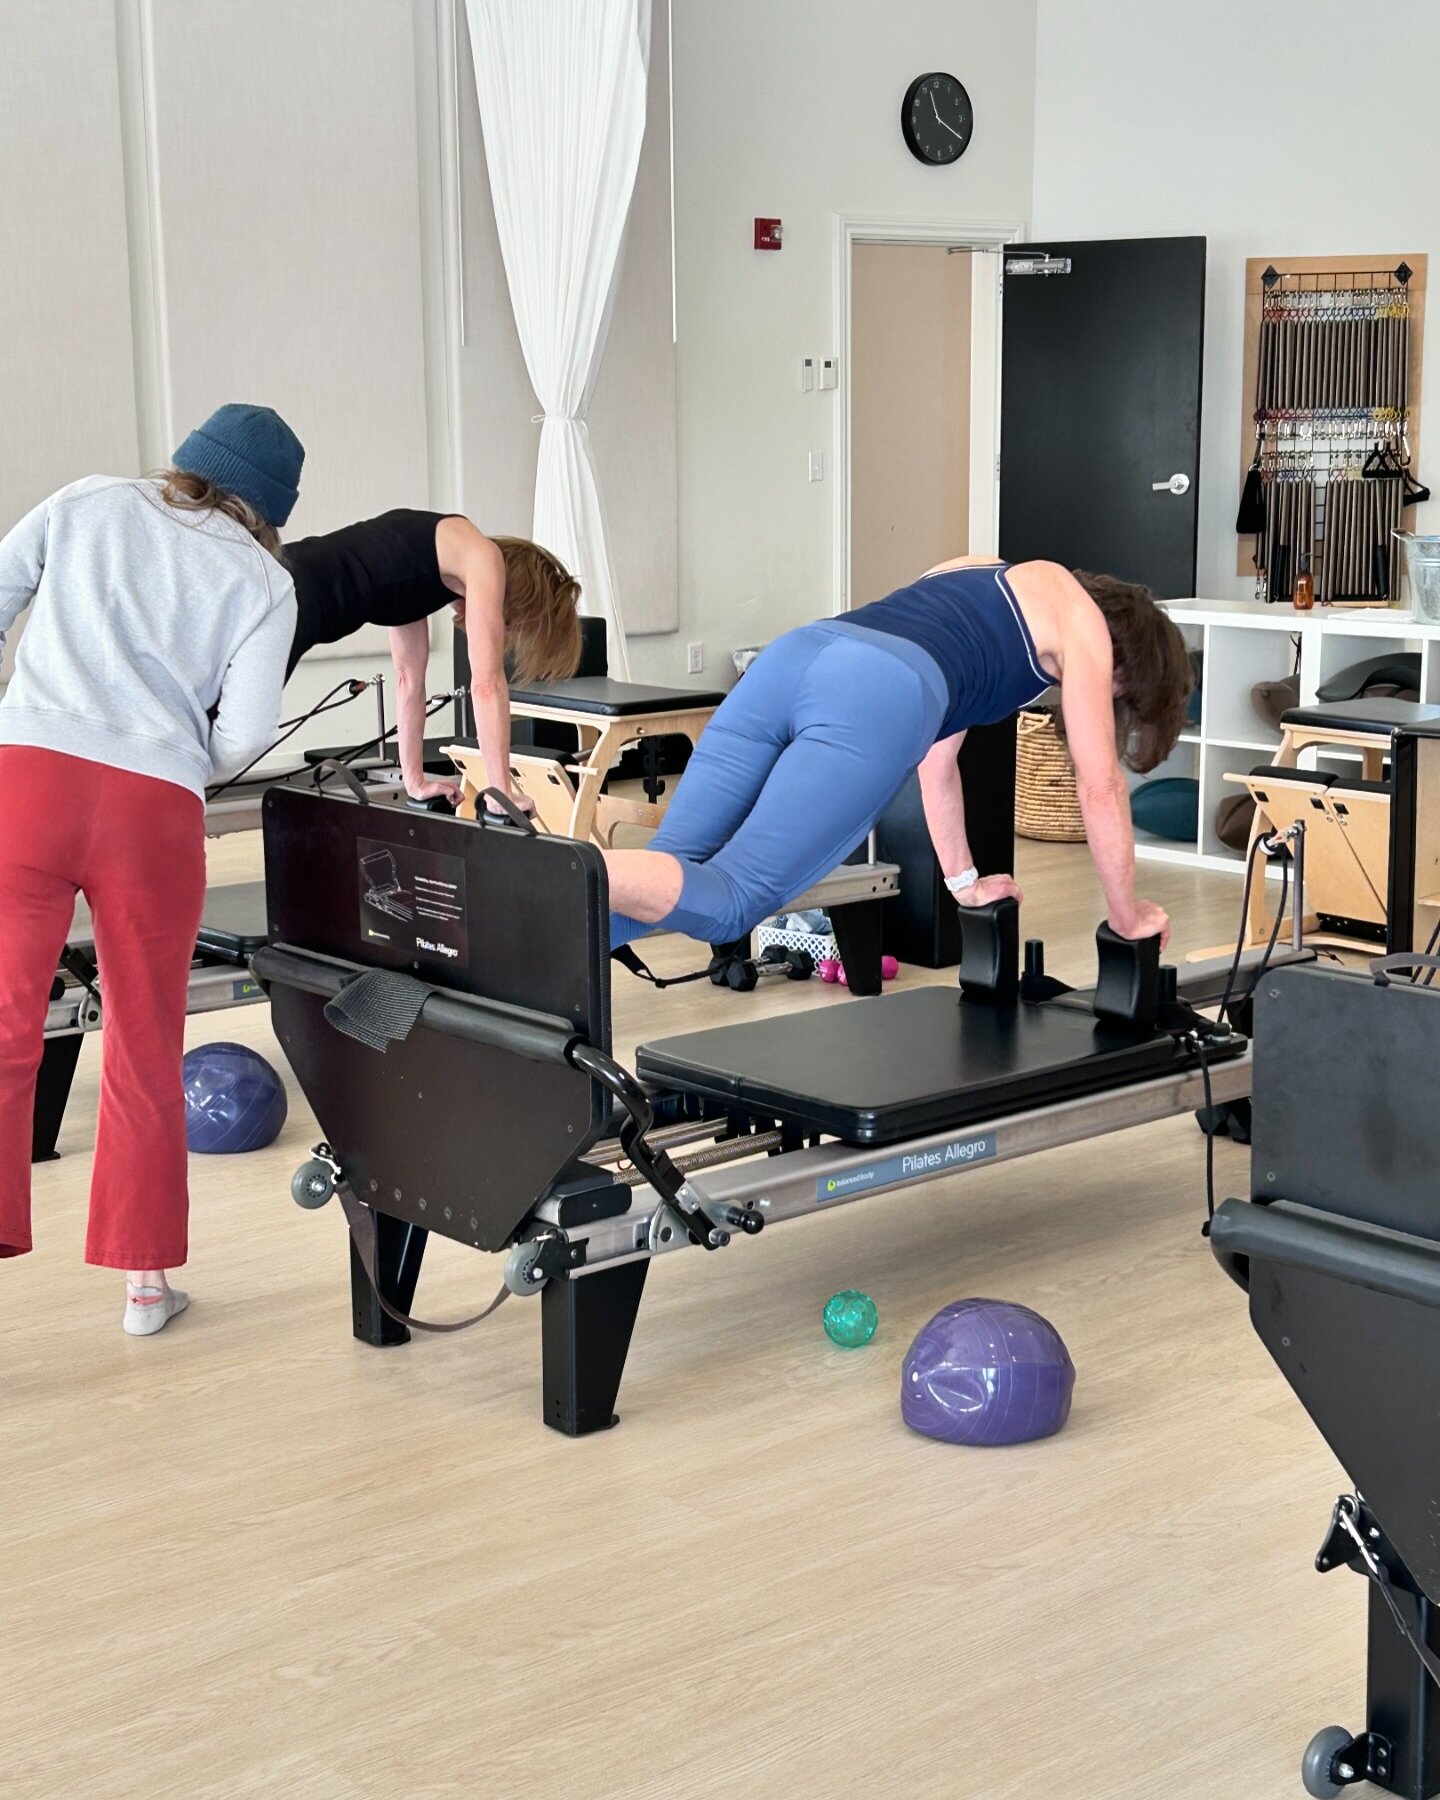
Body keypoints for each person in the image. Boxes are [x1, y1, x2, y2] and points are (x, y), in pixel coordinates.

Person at [0, 403, 304, 1334]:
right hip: (153, 814)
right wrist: (176, 764)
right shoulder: (262, 580)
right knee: (142, 1041)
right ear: (270, 507)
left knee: (8, 1025)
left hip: (28, 784)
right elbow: (246, 733)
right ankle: (143, 1287)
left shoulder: (87, 501)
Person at [606, 558, 1190, 954]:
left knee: (662, 879)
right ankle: (567, 863)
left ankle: (523, 935)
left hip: (794, 656)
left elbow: (938, 766)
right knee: (732, 901)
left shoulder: (983, 573)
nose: (1106, 699)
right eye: (1122, 692)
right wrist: (1127, 918)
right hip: (876, 692)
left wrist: (964, 884)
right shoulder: (1082, 622)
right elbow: (1100, 786)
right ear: (1127, 657)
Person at [282, 512, 583, 811]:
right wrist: (501, 793)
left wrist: (415, 781)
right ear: (515, 597)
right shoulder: (482, 555)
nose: (492, 624)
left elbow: (408, 681)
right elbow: (487, 685)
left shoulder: (418, 568)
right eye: (507, 624)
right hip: (290, 593)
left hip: (293, 593)